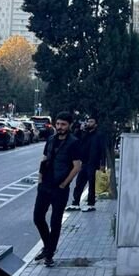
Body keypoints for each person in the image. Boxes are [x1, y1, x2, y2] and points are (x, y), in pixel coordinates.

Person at [32, 112, 82, 267]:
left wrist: (64, 184)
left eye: (63, 124)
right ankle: (48, 247)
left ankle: (49, 254)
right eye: (58, 124)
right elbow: (44, 159)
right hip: (45, 185)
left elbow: (77, 166)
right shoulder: (51, 139)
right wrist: (40, 179)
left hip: (60, 188)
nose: (60, 127)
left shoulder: (74, 143)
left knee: (55, 222)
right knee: (38, 217)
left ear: (69, 125)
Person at [67, 115, 106, 213]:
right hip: (84, 163)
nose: (89, 123)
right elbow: (76, 140)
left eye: (91, 122)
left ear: (96, 124)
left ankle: (91, 204)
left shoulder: (99, 135)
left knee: (92, 184)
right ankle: (75, 203)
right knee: (79, 183)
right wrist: (80, 130)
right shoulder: (85, 134)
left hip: (94, 163)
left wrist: (102, 164)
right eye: (88, 121)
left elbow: (103, 150)